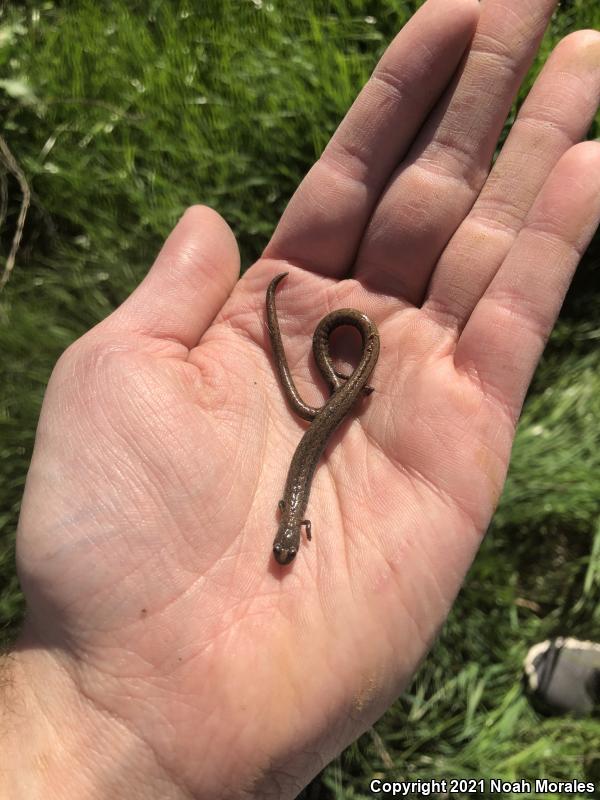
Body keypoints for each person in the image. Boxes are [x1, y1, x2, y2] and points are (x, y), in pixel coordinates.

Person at [2, 0, 600, 796]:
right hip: (341, 387)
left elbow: (305, 467)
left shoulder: (298, 499)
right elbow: (303, 482)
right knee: (316, 408)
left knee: (318, 406)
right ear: (293, 536)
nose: (285, 548)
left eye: (283, 545)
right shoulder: (295, 513)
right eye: (289, 545)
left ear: (287, 534)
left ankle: (333, 373)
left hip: (343, 380)